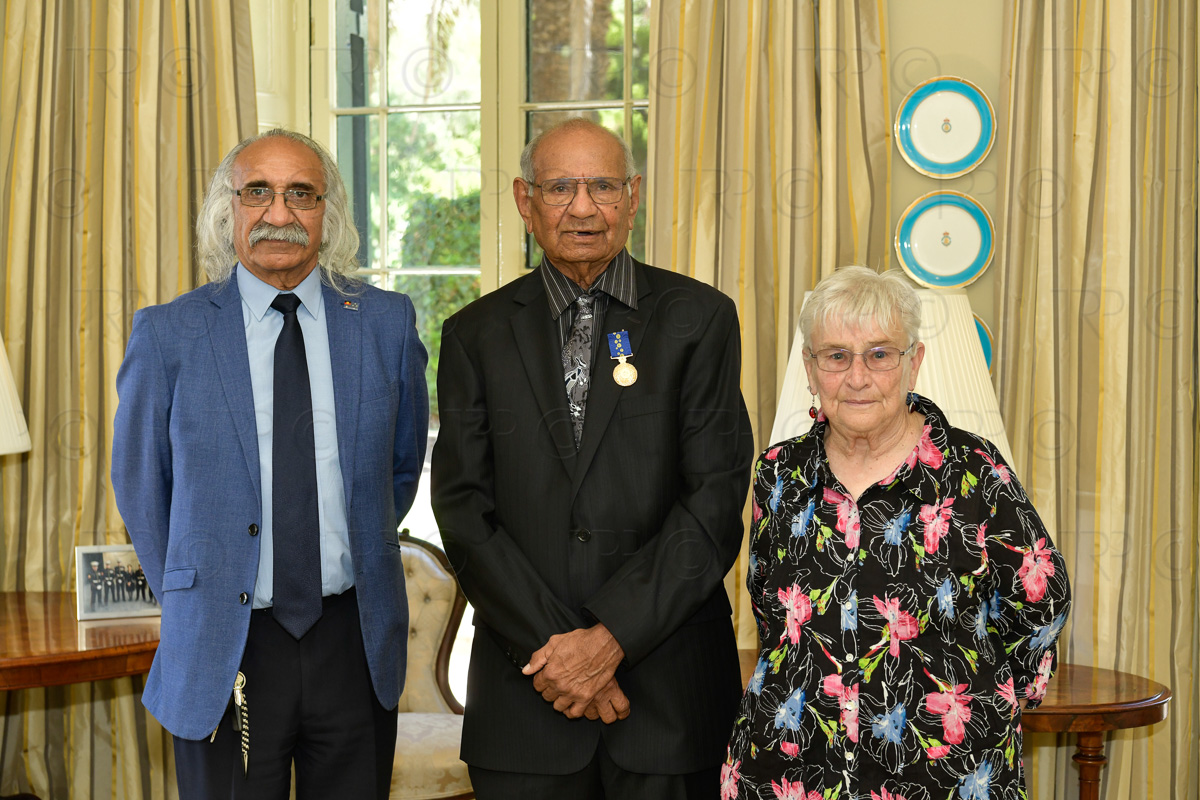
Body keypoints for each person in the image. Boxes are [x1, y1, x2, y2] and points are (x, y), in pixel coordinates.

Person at [431, 117, 755, 798]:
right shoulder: (473, 336)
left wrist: (610, 638)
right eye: (560, 188)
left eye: (603, 186)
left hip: (669, 703)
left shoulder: (700, 320)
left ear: (632, 197)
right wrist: (561, 653)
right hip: (526, 700)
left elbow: (714, 501)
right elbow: (463, 511)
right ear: (525, 200)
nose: (583, 207)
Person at [111, 129, 429, 799]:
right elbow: (142, 485)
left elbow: (397, 472)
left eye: (300, 194)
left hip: (353, 638)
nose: (278, 213)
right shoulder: (168, 334)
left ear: (326, 212)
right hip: (226, 644)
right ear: (226, 209)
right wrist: (199, 593)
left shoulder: (385, 323)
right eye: (257, 191)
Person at [723, 266, 1071, 799]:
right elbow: (769, 607)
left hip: (943, 774)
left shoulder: (972, 470)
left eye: (880, 354)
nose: (857, 377)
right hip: (790, 768)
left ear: (914, 363)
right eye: (836, 356)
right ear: (811, 369)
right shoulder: (778, 473)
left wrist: (996, 691)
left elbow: (1041, 600)